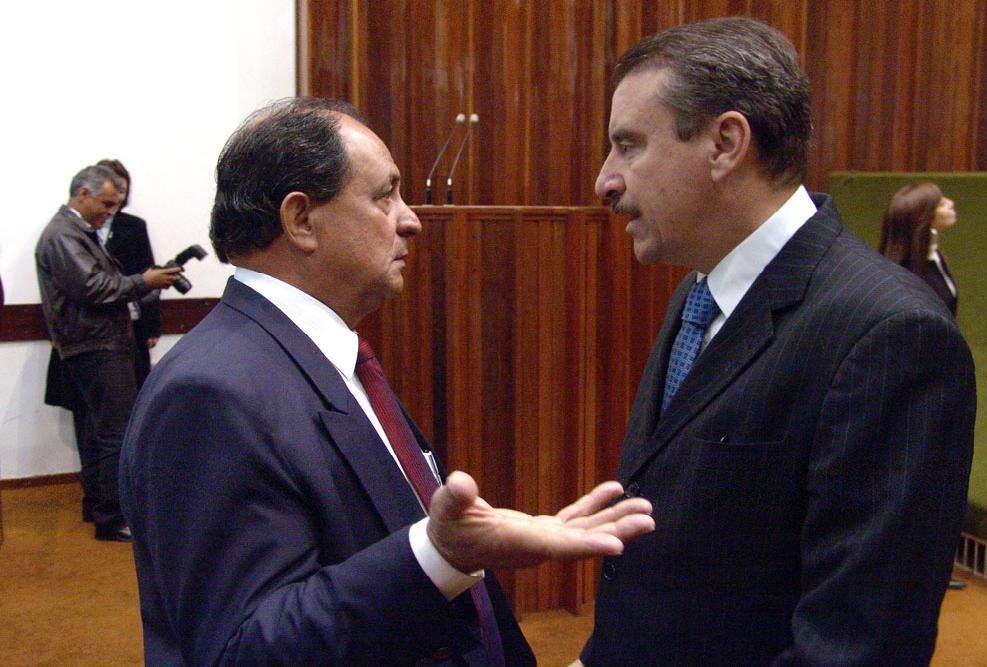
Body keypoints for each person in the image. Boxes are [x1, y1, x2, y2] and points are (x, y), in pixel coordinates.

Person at [119, 97, 655, 665]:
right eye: (384, 196)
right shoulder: (210, 393)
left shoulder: (324, 355)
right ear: (301, 221)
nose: (410, 220)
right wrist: (436, 555)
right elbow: (243, 650)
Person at [579, 17, 976, 666]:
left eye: (629, 146)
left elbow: (856, 647)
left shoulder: (891, 335)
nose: (606, 181)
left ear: (725, 143)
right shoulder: (698, 293)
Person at [35, 165, 180, 541]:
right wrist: (144, 281)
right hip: (96, 345)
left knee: (101, 432)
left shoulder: (74, 232)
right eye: (107, 203)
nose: (110, 212)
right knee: (116, 434)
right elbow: (94, 288)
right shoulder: (63, 234)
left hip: (98, 343)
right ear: (83, 194)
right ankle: (113, 517)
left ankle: (103, 509)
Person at [97, 158, 164, 386]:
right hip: (96, 324)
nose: (117, 197)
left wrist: (152, 326)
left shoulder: (134, 226)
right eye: (113, 190)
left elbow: (149, 274)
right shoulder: (79, 230)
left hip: (131, 320)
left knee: (134, 387)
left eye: (122, 190)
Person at [879, 182, 959, 316]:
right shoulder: (904, 276)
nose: (951, 203)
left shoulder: (933, 255)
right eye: (941, 204)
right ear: (925, 219)